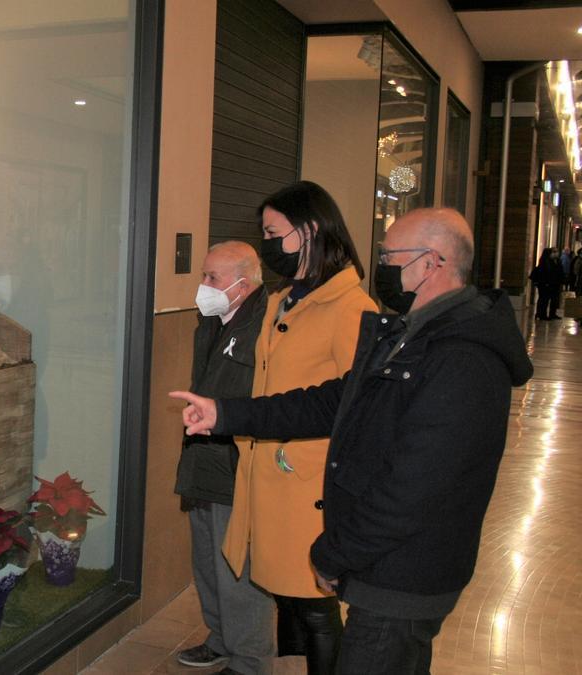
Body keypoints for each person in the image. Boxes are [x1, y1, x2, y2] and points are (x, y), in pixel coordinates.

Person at [174, 208, 533, 674]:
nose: (379, 265)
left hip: (403, 576)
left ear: (432, 263)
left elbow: (414, 486)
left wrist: (336, 553)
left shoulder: (460, 358)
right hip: (389, 569)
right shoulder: (412, 336)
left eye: (389, 256)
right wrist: (225, 412)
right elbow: (330, 402)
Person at [231, 181, 376, 674]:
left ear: (309, 230)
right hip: (269, 473)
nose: (268, 244)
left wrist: (302, 455)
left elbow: (357, 409)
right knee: (287, 596)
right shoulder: (281, 300)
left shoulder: (353, 308)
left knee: (315, 604)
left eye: (274, 233)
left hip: (308, 480)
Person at [172, 242, 273, 674]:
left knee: (238, 572)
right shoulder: (211, 322)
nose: (203, 286)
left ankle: (251, 660)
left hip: (238, 466)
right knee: (208, 565)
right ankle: (220, 639)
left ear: (243, 285)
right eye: (203, 275)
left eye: (212, 278)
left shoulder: (267, 327)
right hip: (203, 458)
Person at [530, 247, 565, 320]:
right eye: (553, 252)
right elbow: (545, 273)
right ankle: (541, 314)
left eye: (556, 252)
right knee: (544, 299)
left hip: (554, 284)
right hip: (545, 284)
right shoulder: (545, 262)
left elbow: (559, 271)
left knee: (553, 299)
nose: (556, 253)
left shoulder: (557, 261)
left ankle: (551, 314)